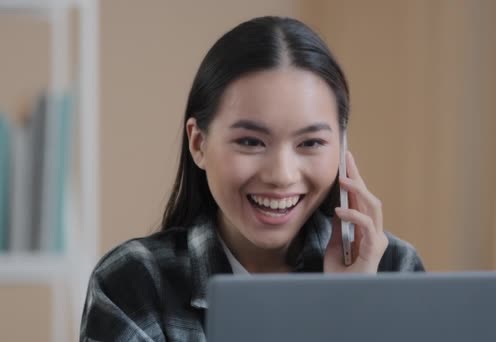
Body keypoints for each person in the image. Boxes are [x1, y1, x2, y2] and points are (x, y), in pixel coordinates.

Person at [80, 16, 424, 341]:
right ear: (199, 143)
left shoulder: (393, 270)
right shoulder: (135, 282)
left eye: (311, 143)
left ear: (342, 148)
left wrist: (349, 306)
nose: (281, 175)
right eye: (250, 142)